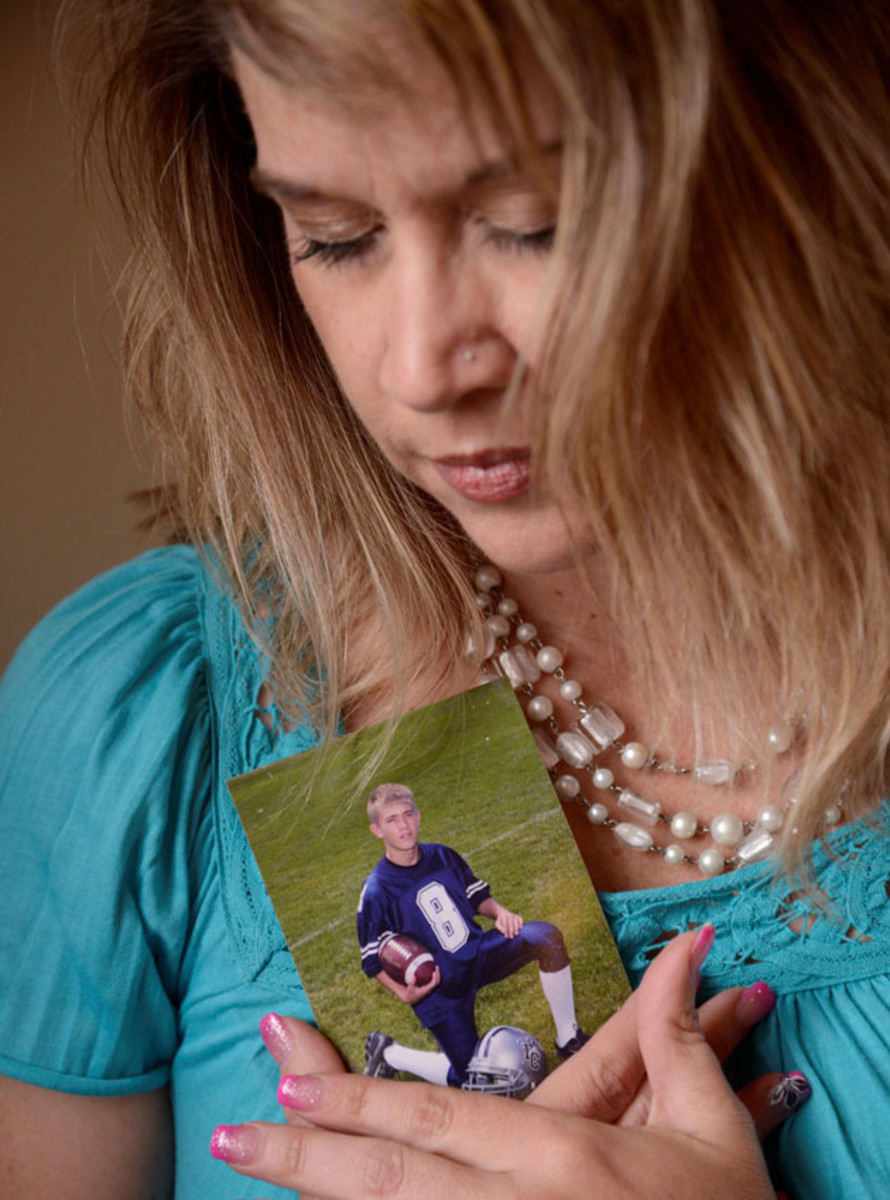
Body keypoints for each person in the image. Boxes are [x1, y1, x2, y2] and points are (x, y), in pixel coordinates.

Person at [1, 1, 888, 1198]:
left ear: (804, 164)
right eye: (334, 235)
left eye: (533, 225)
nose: (420, 366)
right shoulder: (141, 716)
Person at [356, 782, 587, 1085]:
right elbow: (371, 961)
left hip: (476, 952)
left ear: (418, 816)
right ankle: (390, 1054)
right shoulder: (377, 890)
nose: (403, 826)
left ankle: (568, 1038)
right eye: (391, 820)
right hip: (439, 988)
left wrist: (501, 913)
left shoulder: (442, 856)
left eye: (408, 814)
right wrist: (404, 993)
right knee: (475, 1082)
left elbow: (477, 897)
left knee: (545, 936)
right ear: (377, 830)